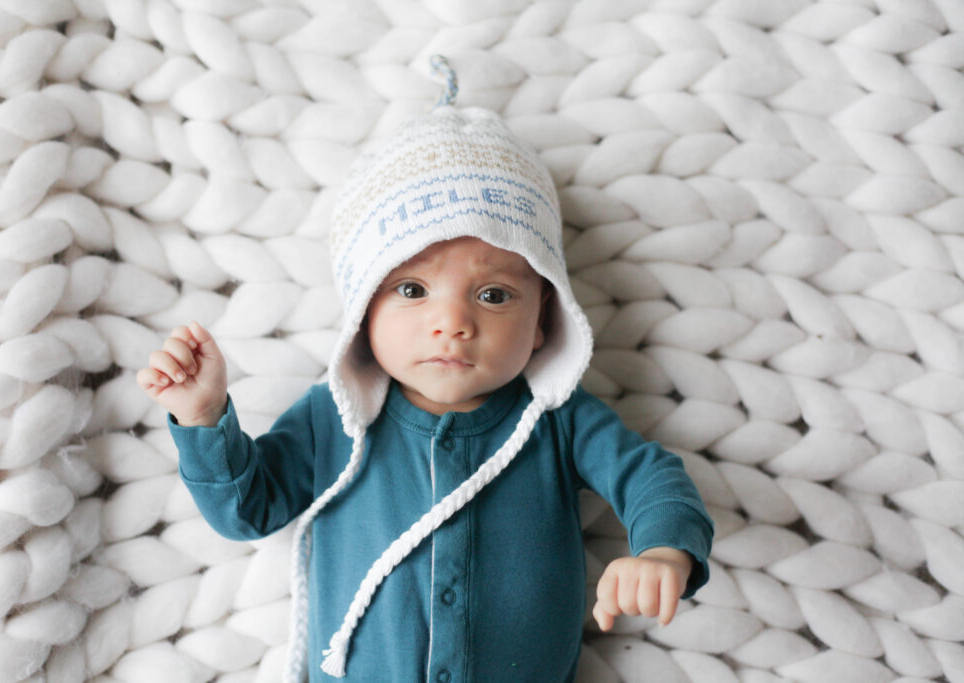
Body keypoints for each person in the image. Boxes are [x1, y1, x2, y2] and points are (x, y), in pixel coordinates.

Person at [137, 88, 714, 682]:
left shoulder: (558, 420)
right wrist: (204, 418)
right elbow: (249, 511)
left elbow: (652, 477)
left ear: (544, 319)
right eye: (412, 290)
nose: (454, 324)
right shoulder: (335, 418)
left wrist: (663, 551)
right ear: (364, 309)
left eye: (493, 296)